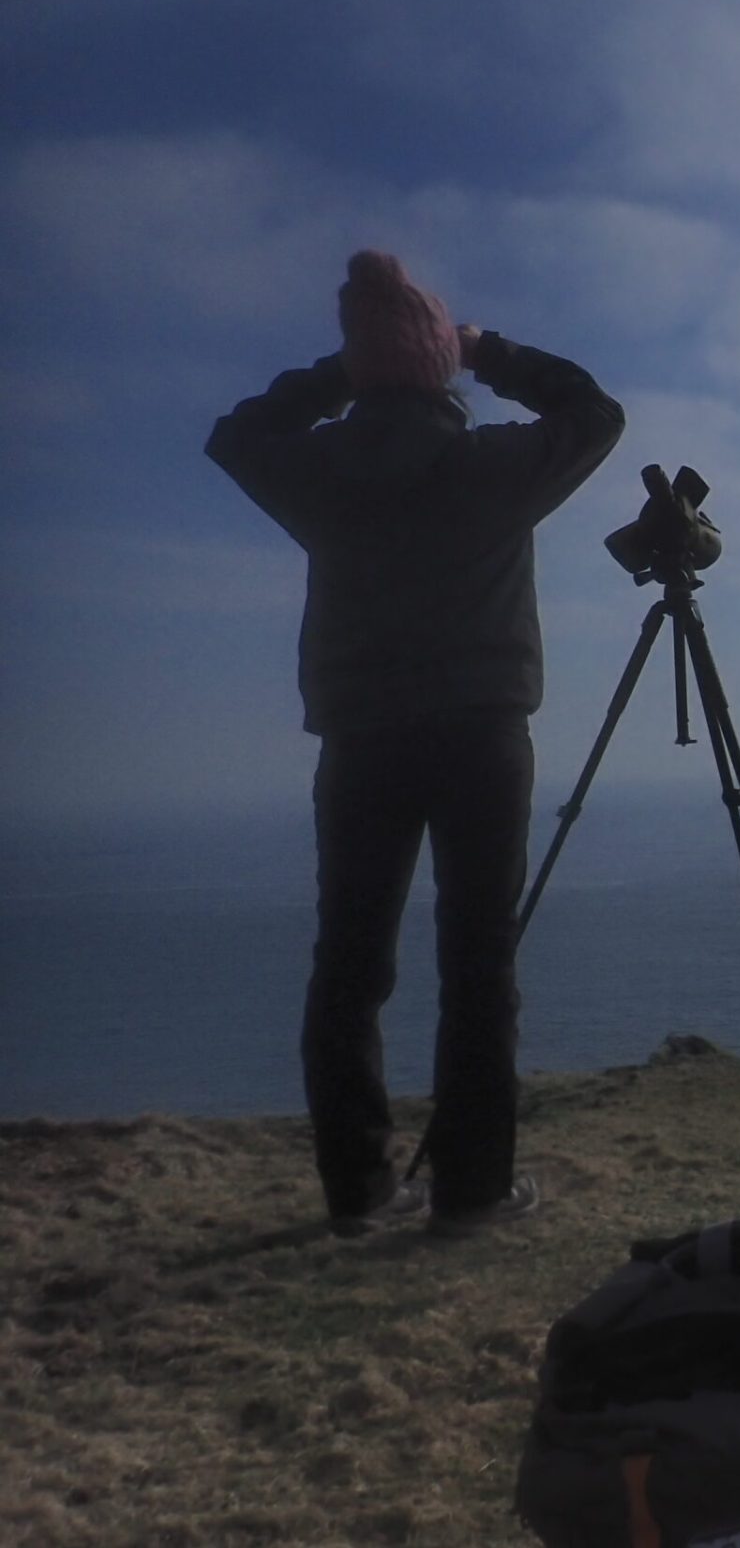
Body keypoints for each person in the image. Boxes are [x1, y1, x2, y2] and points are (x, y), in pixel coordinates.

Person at [207, 250, 625, 1237]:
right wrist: (491, 352)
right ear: (439, 361)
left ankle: (358, 1192)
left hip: (360, 744)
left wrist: (338, 375)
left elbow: (235, 435)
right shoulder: (492, 469)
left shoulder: (318, 474)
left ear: (362, 368)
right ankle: (473, 1191)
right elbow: (595, 414)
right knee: (479, 965)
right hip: (483, 737)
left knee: (349, 965)